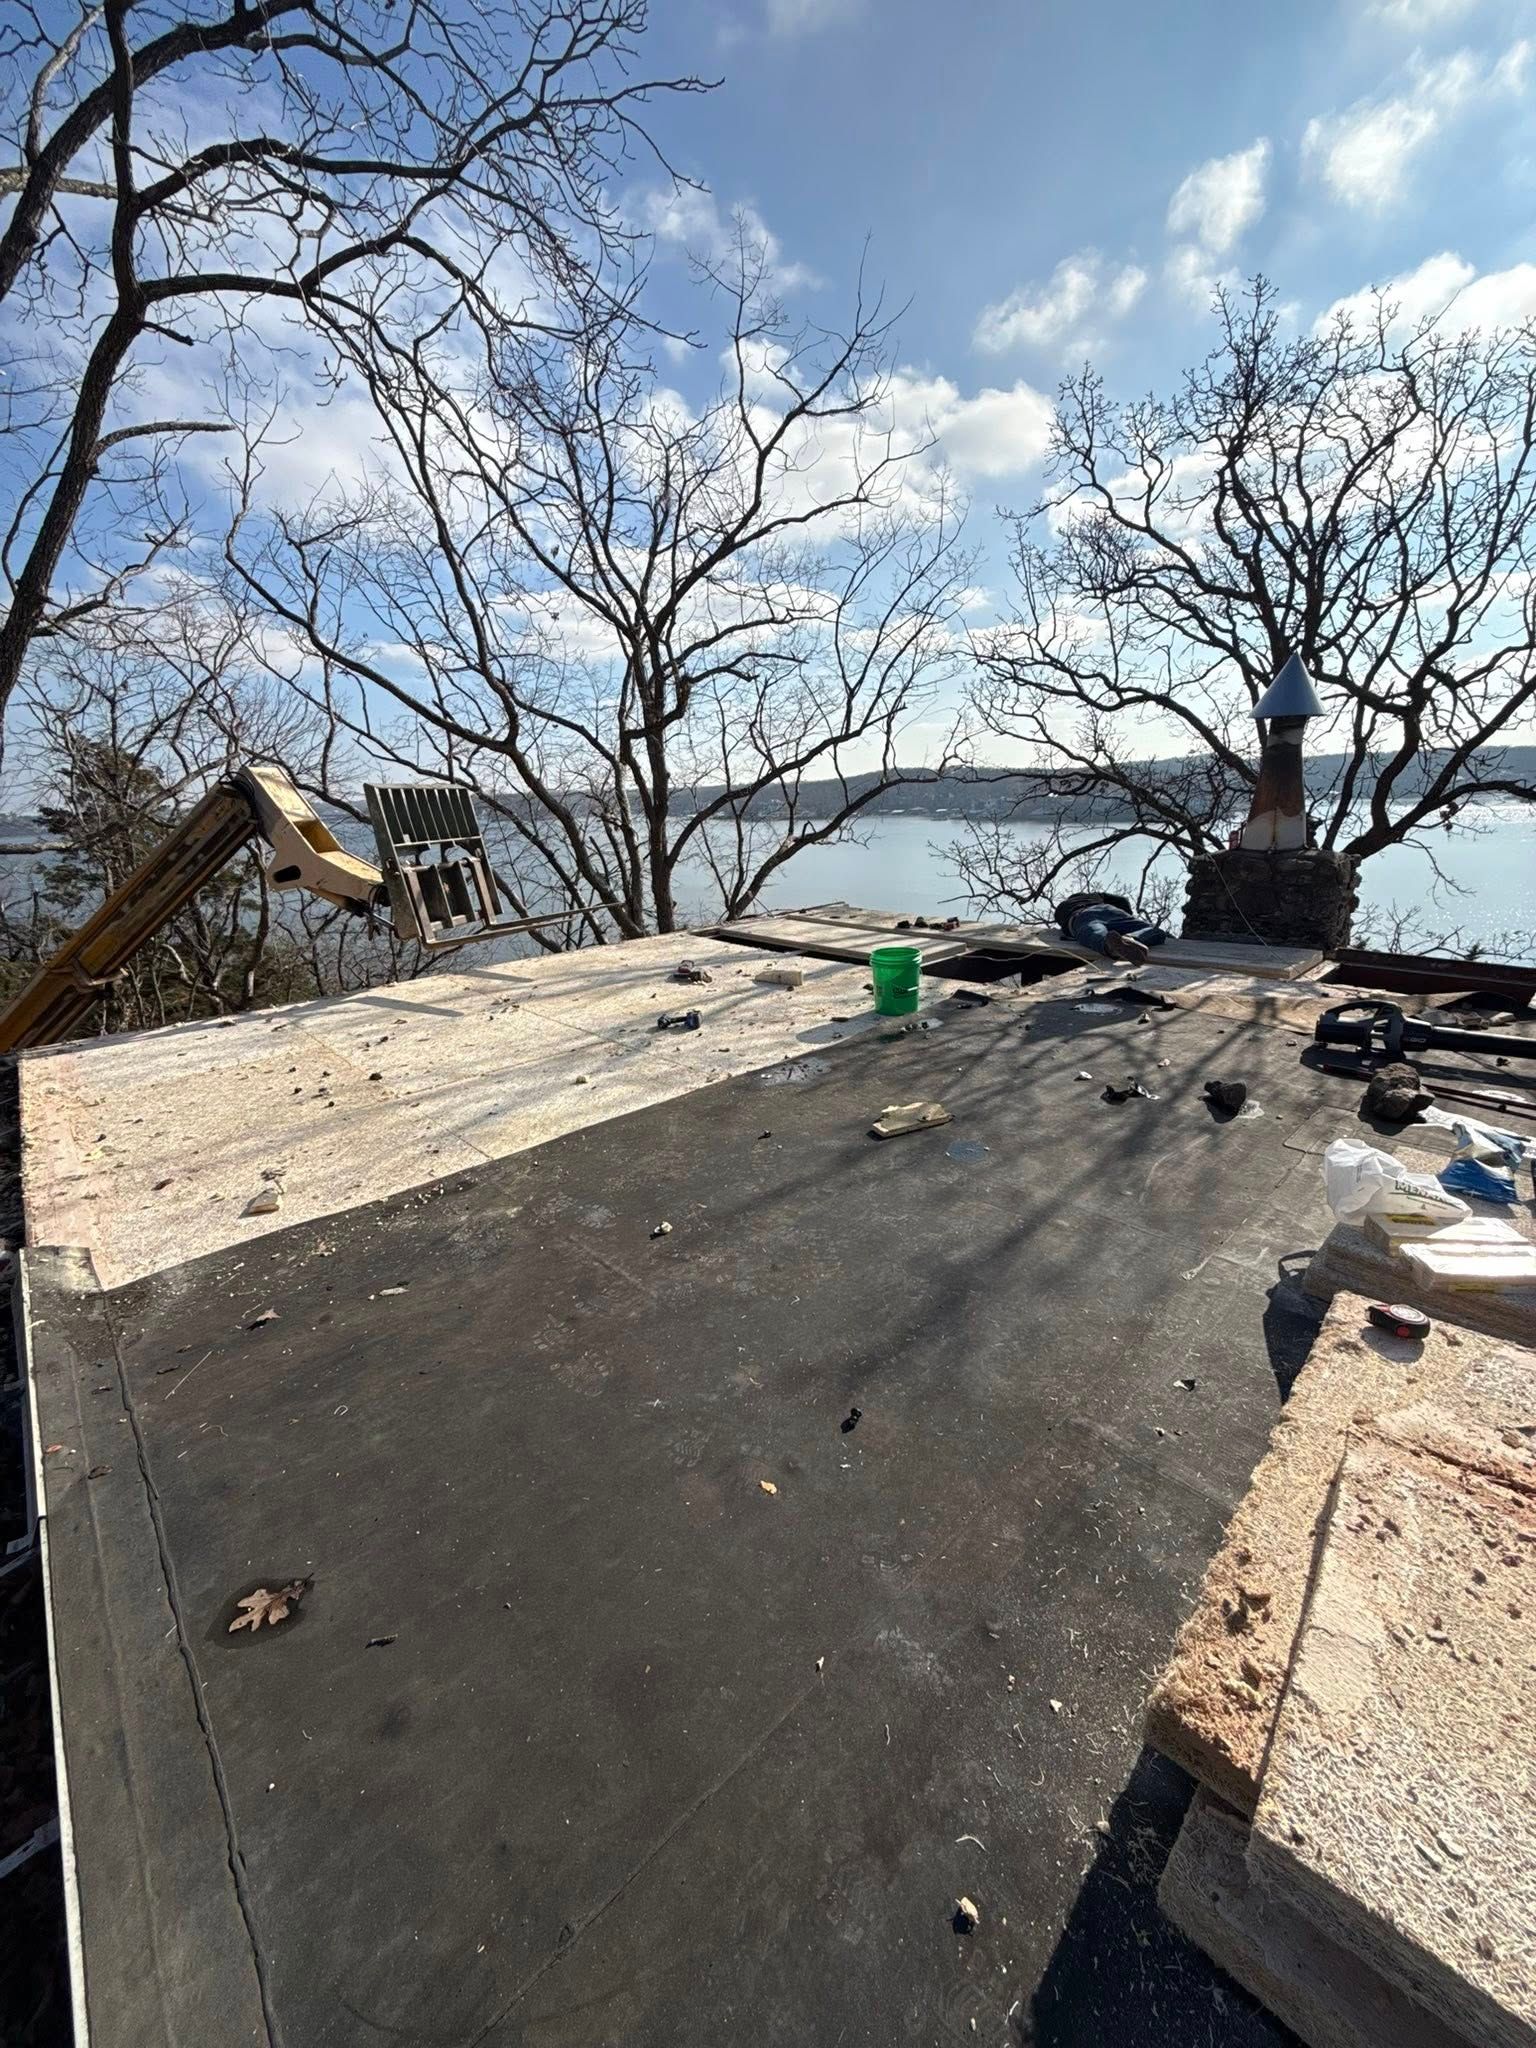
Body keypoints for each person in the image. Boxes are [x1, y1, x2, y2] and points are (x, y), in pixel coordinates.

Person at [1052, 890, 1169, 967]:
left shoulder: (1062, 906)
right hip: (1109, 910)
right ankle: (1132, 938)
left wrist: (1074, 934)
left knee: (1096, 934)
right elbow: (1122, 900)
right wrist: (1128, 918)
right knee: (1154, 931)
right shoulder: (1095, 896)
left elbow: (1066, 928)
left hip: (1082, 916)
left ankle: (1111, 947)